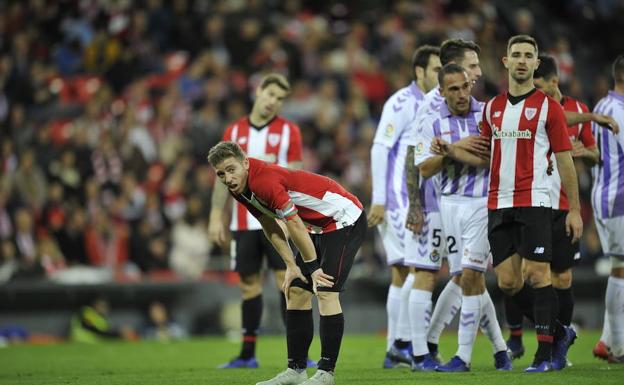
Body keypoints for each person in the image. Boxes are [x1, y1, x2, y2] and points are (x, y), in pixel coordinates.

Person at [207, 141, 367, 385]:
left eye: (231, 169)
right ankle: (296, 370)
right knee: (295, 291)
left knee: (325, 290)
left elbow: (293, 224)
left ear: (245, 163)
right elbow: (269, 224)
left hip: (343, 217)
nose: (227, 178)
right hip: (318, 226)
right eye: (221, 174)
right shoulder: (239, 188)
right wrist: (292, 265)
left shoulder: (264, 181)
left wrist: (313, 269)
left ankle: (325, 373)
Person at [480, 35, 581, 372]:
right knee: (509, 283)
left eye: (528, 56)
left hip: (536, 200)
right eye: (516, 55)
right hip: (498, 202)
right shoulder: (491, 108)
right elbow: (484, 149)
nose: (522, 61)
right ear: (506, 61)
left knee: (539, 275)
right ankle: (560, 332)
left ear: (536, 64)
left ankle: (544, 355)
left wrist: (575, 211)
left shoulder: (549, 108)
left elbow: (565, 160)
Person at [406, 39, 505, 370]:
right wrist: (451, 151)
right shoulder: (431, 116)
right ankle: (500, 349)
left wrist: (450, 149)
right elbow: (422, 165)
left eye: (468, 83)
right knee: (464, 276)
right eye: (456, 88)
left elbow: (488, 158)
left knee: (472, 275)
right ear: (444, 89)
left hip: (481, 202)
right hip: (446, 204)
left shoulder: (487, 113)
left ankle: (461, 354)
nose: (465, 91)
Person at [504, 54, 600, 359]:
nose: (538, 93)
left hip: (562, 205)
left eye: (542, 87)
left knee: (562, 278)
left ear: (554, 83)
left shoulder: (576, 109)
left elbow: (596, 155)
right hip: (534, 203)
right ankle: (519, 333)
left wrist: (583, 151)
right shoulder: (533, 110)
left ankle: (560, 343)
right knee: (521, 275)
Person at [208, 74, 304, 369]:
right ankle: (248, 354)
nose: (273, 101)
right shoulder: (233, 130)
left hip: (278, 220)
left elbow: (296, 177)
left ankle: (298, 353)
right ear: (259, 91)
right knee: (249, 286)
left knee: (286, 282)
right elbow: (221, 178)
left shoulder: (290, 131)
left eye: (280, 98)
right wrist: (215, 215)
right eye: (270, 94)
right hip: (243, 222)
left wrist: (294, 218)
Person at [367, 44, 441, 368]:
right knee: (413, 270)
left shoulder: (434, 103)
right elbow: (380, 148)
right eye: (435, 70)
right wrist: (380, 200)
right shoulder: (401, 102)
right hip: (399, 200)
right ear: (420, 71)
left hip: (419, 200)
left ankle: (394, 349)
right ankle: (402, 343)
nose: (440, 76)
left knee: (402, 274)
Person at [591, 54, 624, 363]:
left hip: (608, 195)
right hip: (619, 198)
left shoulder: (604, 105)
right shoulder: (618, 110)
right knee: (621, 268)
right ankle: (618, 344)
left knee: (620, 267)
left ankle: (608, 340)